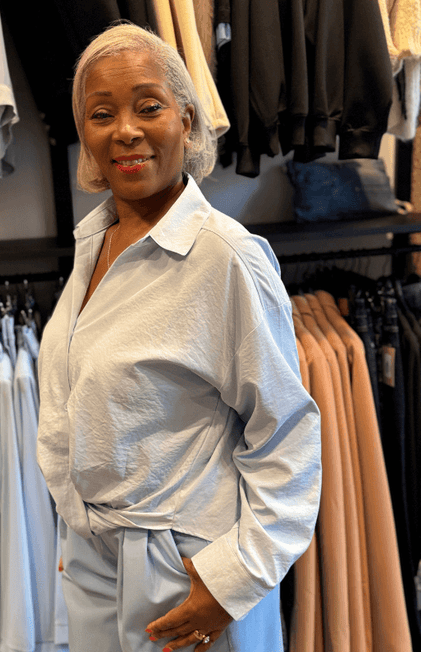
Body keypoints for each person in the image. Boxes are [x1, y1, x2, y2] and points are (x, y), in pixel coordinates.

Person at [37, 21, 321, 652]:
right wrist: (81, 524)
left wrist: (232, 580)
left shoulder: (225, 258)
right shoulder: (95, 243)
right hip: (96, 559)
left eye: (149, 107)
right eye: (101, 114)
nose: (125, 131)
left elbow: (288, 436)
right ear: (83, 132)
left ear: (187, 121)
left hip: (185, 564)